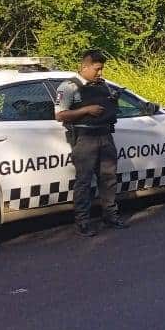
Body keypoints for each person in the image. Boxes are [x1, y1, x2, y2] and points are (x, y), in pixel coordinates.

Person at [54, 50, 128, 237]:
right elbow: (60, 115)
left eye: (101, 69)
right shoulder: (70, 87)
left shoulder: (102, 85)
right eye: (97, 69)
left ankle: (110, 216)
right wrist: (86, 109)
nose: (100, 73)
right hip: (85, 138)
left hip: (105, 136)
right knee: (84, 182)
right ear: (85, 66)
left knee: (109, 179)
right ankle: (83, 222)